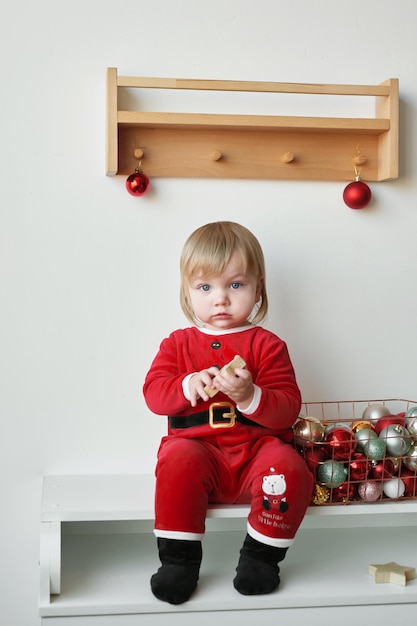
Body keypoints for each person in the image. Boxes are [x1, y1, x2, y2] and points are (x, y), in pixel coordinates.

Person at [143, 221, 313, 605]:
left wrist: (252, 395)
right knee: (176, 461)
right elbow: (153, 395)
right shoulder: (178, 344)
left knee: (290, 466)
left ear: (258, 288)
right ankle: (179, 563)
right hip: (199, 453)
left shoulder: (267, 345)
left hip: (256, 456)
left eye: (235, 285)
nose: (220, 299)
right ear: (188, 291)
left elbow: (288, 407)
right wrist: (187, 385)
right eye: (205, 288)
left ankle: (260, 557)